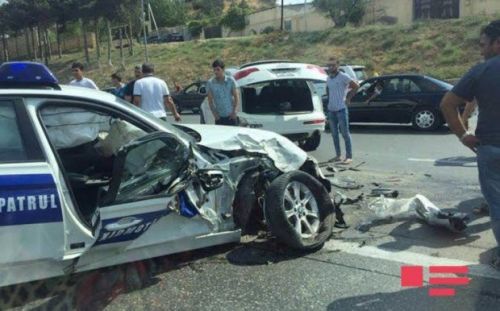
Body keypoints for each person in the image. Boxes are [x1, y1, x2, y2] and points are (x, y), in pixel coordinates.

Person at [440, 20, 500, 269]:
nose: (481, 50)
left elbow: (447, 104)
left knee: (497, 205)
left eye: (484, 45)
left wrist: (464, 136)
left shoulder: (482, 70)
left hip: (491, 149)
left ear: (498, 43)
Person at [326, 56, 359, 165]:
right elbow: (329, 91)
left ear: (337, 66)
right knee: (334, 134)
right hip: (331, 110)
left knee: (345, 133)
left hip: (341, 109)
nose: (330, 67)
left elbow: (355, 86)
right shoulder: (328, 78)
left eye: (333, 65)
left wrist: (348, 98)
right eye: (329, 65)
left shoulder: (343, 76)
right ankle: (338, 155)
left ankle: (349, 156)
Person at [206, 59, 239, 126]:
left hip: (231, 116)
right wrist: (215, 115)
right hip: (219, 117)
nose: (216, 72)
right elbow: (210, 101)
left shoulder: (230, 81)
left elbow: (236, 97)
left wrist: (234, 112)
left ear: (223, 69)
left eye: (218, 69)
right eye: (214, 70)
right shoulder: (210, 83)